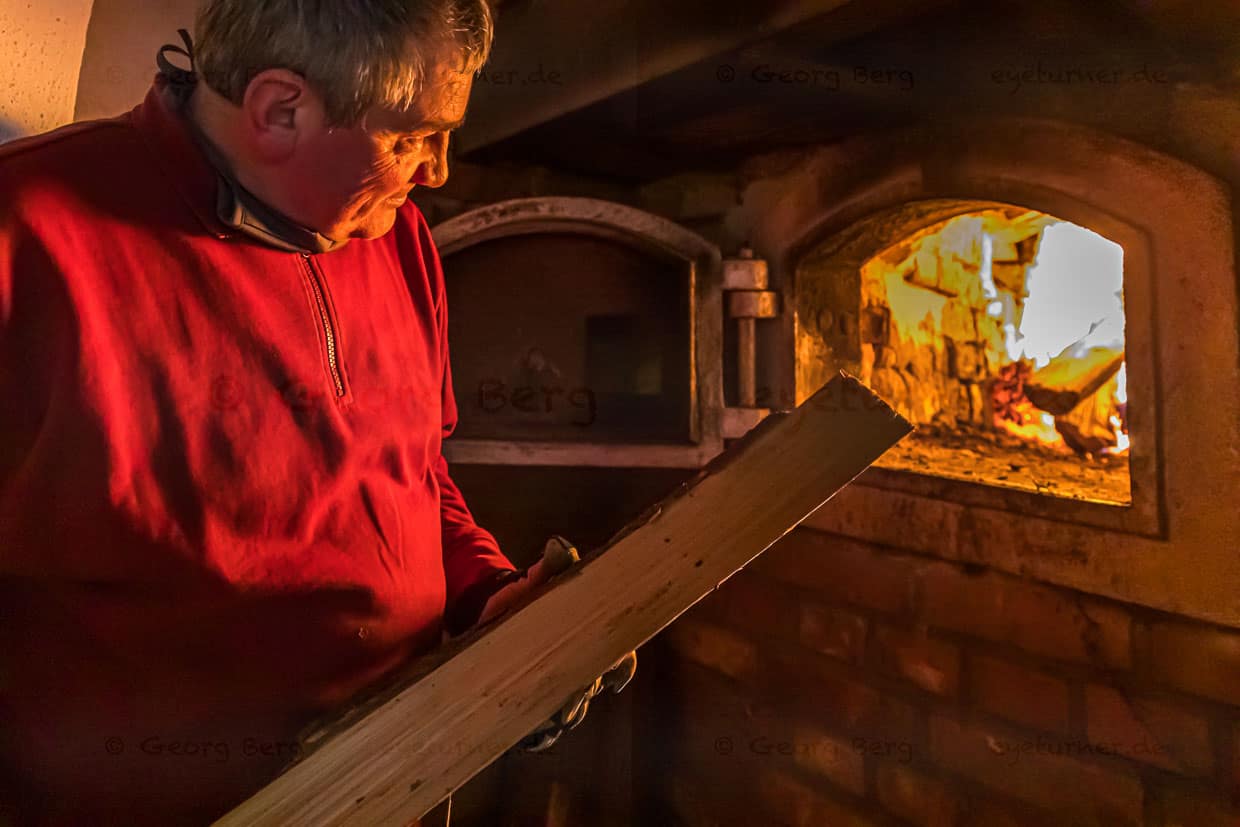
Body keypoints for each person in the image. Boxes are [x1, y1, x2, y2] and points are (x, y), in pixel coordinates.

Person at [0, 2, 633, 824]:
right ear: (279, 109)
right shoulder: (26, 236)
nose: (437, 170)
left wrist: (487, 598)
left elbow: (415, 473)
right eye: (412, 137)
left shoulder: (397, 236)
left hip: (394, 791)